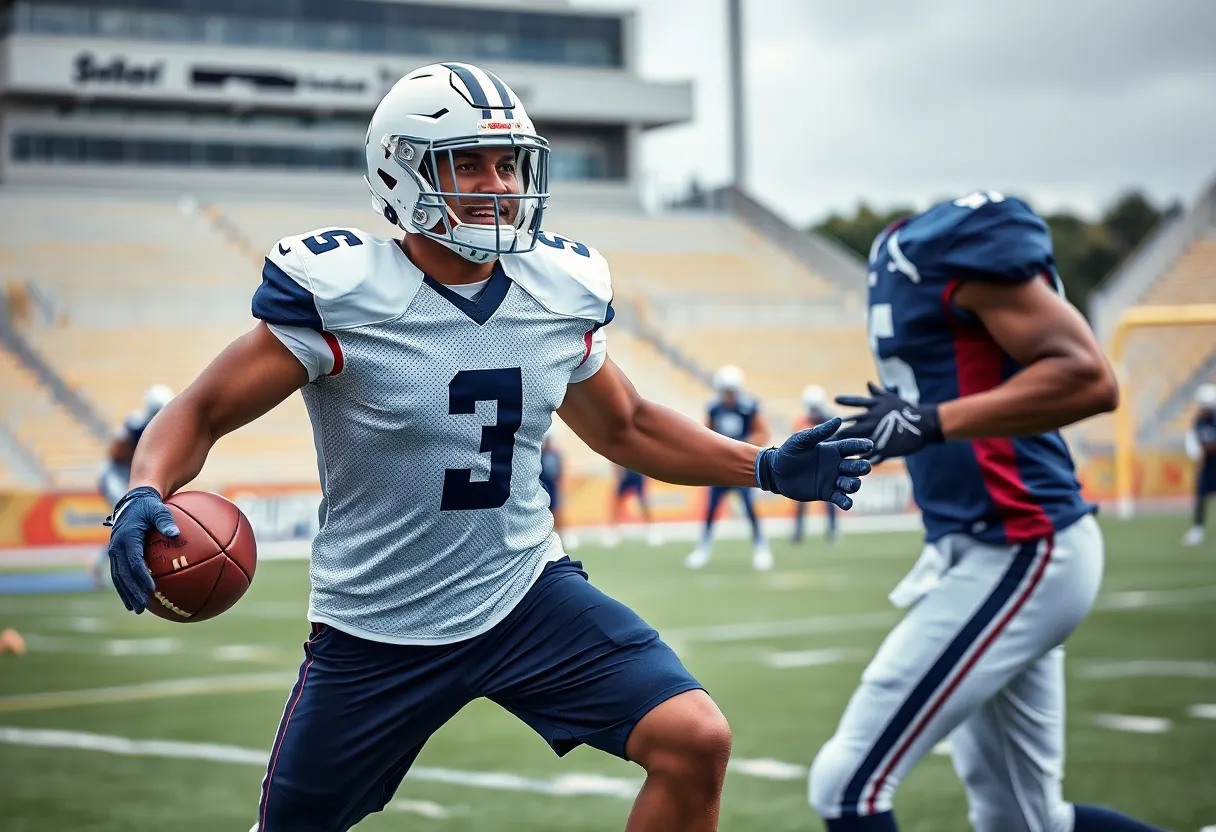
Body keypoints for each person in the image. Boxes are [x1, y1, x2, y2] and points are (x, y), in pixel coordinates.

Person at [102, 62, 872, 832]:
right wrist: (145, 487)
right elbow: (201, 411)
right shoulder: (344, 295)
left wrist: (763, 466)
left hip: (524, 594)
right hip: (377, 624)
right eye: (467, 163)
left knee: (694, 739)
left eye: (508, 164)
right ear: (400, 171)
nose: (498, 185)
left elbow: (627, 426)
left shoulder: (556, 289)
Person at [815, 191, 1161, 832]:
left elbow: (1089, 378)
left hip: (1023, 542)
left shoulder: (950, 243)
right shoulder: (896, 250)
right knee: (1023, 821)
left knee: (847, 785)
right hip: (978, 543)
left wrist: (931, 421)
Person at [686, 365, 773, 571]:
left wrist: (742, 445)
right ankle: (703, 548)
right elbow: (706, 434)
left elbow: (763, 433)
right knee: (711, 508)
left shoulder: (749, 407)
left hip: (742, 465)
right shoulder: (714, 408)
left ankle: (761, 548)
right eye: (725, 391)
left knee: (749, 508)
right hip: (720, 467)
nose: (728, 395)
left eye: (731, 391)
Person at [92, 384, 173, 587]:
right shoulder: (135, 424)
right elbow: (116, 453)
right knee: (130, 518)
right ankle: (103, 563)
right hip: (116, 475)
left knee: (139, 521)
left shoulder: (164, 428)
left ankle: (106, 562)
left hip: (132, 477)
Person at [792, 385, 838, 544]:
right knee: (800, 500)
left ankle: (832, 530)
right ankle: (798, 532)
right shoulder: (802, 421)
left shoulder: (830, 420)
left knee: (830, 498)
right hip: (806, 466)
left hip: (824, 465)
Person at [1183, 383, 1216, 546]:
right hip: (1207, 466)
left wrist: (1207, 448)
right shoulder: (1198, 421)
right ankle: (1198, 529)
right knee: (1201, 498)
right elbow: (1195, 441)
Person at [539, 425, 578, 550]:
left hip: (553, 489)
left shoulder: (556, 455)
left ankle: (563, 538)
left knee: (558, 514)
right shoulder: (538, 455)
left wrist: (561, 487)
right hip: (541, 489)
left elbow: (560, 472)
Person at [604, 465, 662, 547]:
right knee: (616, 501)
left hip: (638, 472)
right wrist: (617, 474)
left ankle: (651, 529)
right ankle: (613, 530)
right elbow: (614, 461)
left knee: (643, 502)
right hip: (624, 473)